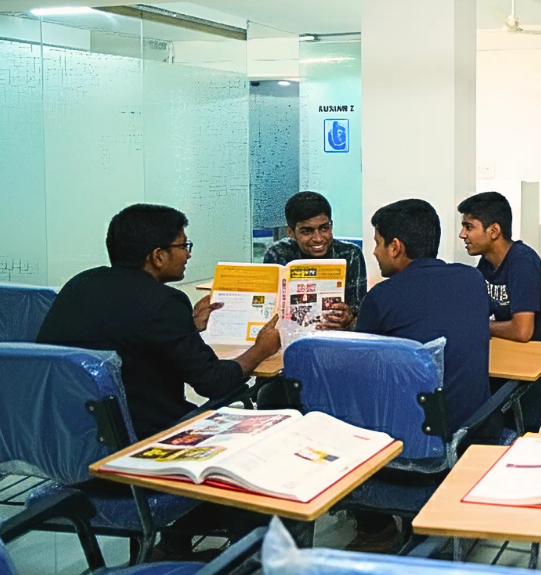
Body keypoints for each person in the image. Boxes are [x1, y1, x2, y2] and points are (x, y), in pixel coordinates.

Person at [37, 204, 280, 559]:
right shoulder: (163, 301)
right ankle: (245, 558)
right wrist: (260, 350)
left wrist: (186, 327)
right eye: (184, 246)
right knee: (259, 435)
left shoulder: (80, 285)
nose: (188, 254)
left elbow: (127, 340)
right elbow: (215, 383)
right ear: (158, 256)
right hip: (138, 459)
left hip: (67, 457)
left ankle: (175, 545)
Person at [350, 198, 492, 552]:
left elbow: (359, 366)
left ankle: (375, 527)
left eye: (378, 243)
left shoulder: (382, 297)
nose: (375, 252)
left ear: (396, 247)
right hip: (468, 438)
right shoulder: (472, 279)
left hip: (402, 450)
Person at [458, 191, 541, 343]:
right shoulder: (486, 263)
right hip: (520, 350)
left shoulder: (523, 263)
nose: (462, 235)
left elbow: (522, 331)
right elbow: (476, 311)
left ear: (494, 231)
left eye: (469, 227)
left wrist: (477, 325)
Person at [262, 191, 367, 330]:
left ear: (331, 226)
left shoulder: (350, 254)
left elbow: (360, 307)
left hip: (336, 334)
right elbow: (269, 308)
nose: (318, 238)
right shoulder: (278, 254)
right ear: (291, 232)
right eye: (307, 231)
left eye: (324, 228)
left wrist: (348, 314)